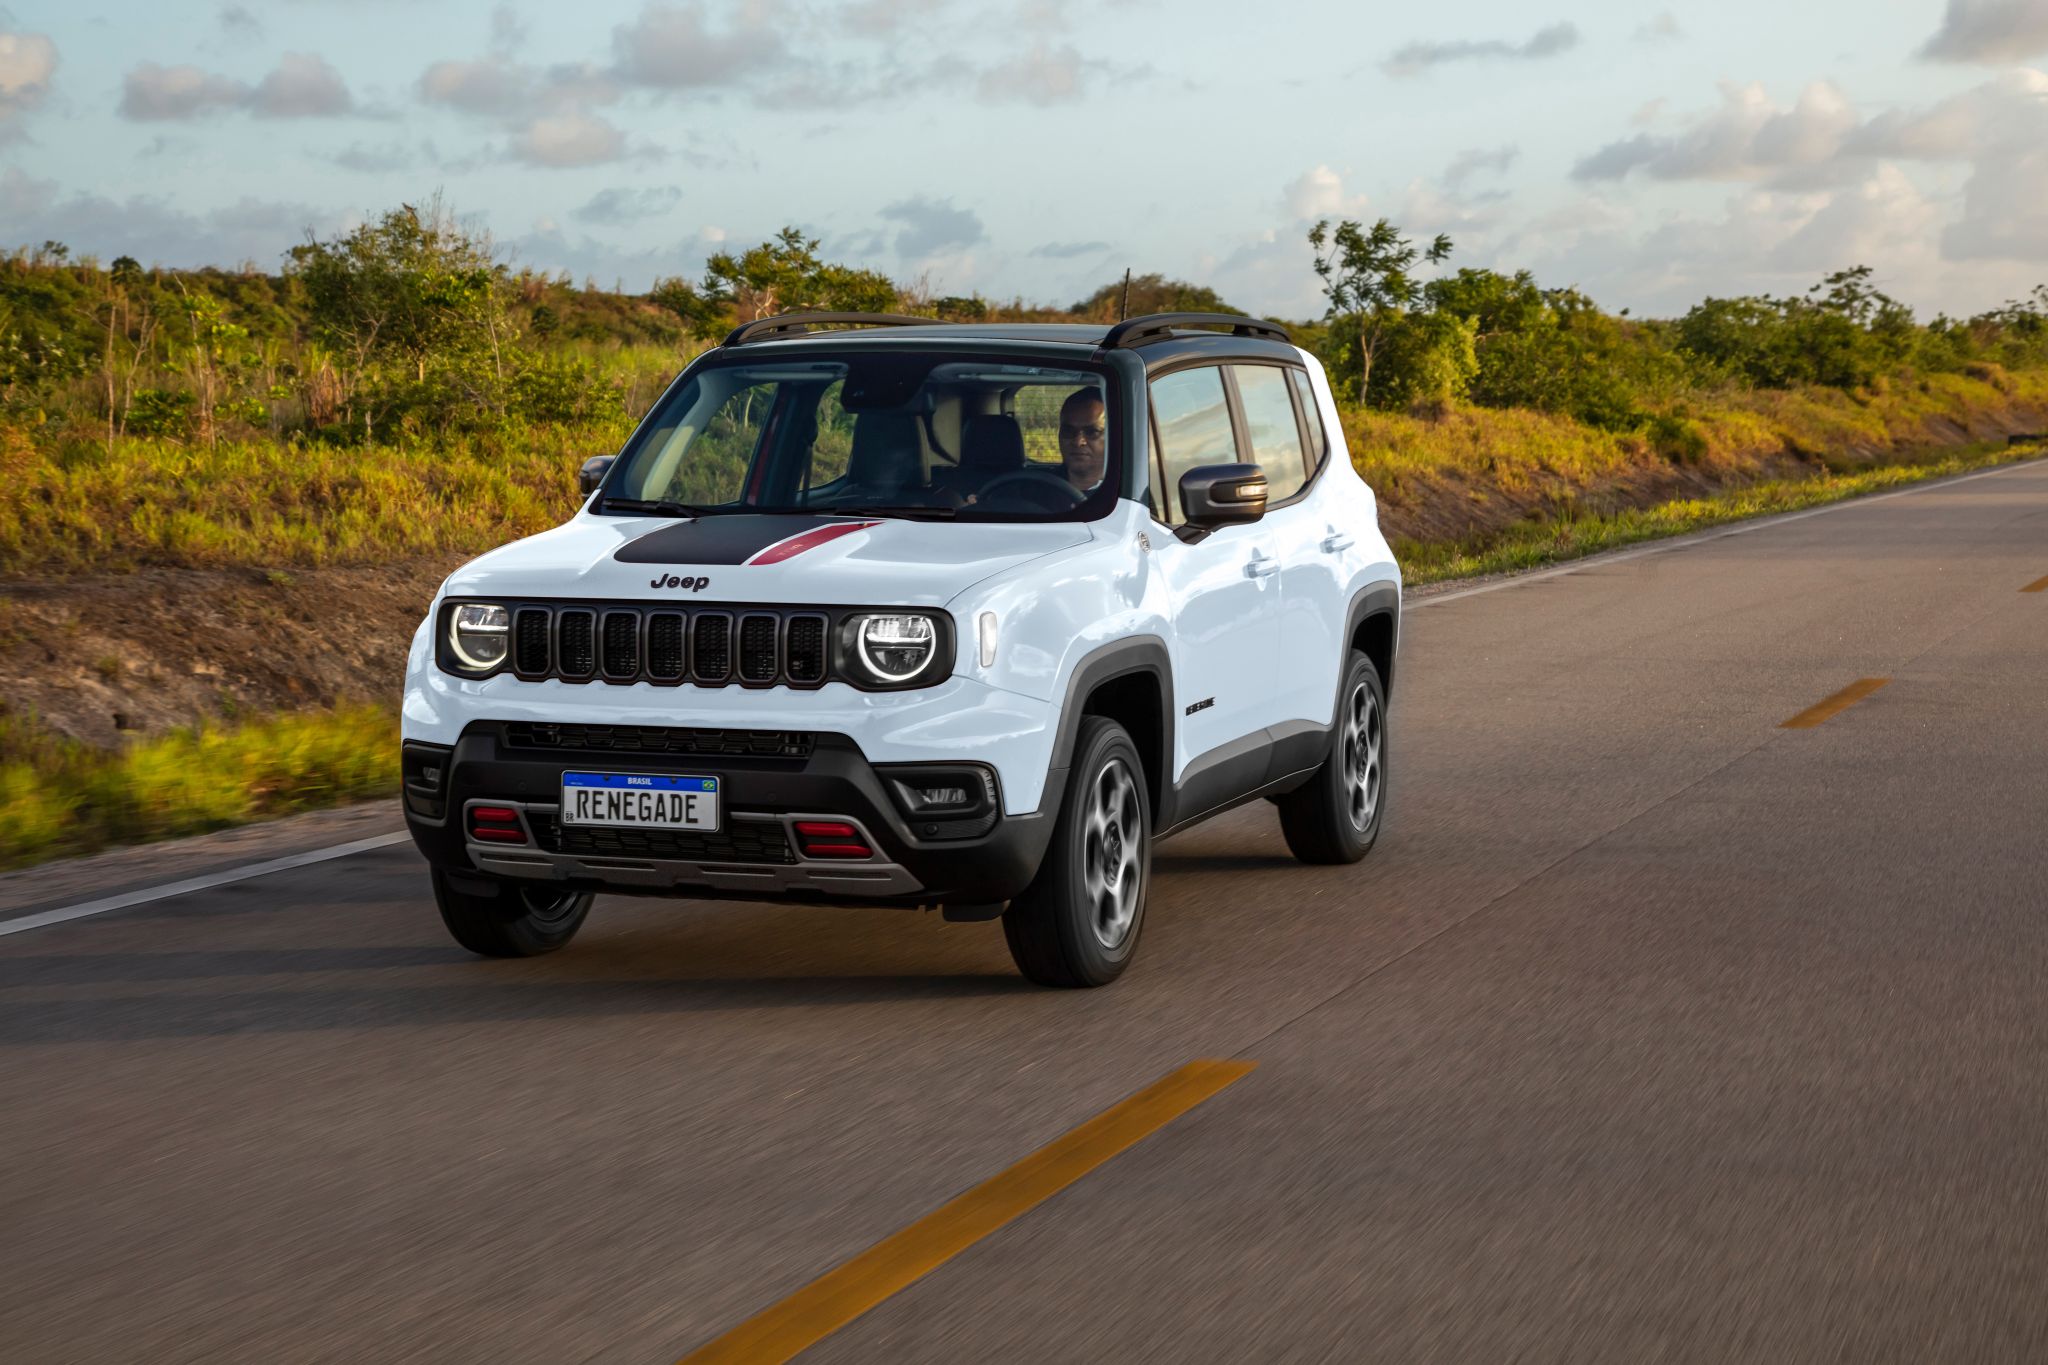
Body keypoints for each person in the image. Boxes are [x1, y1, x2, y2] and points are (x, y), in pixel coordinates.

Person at [1057, 388, 1108, 491]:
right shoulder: (1035, 489)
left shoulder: (1128, 492)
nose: (1078, 442)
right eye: (1069, 431)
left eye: (1092, 432)